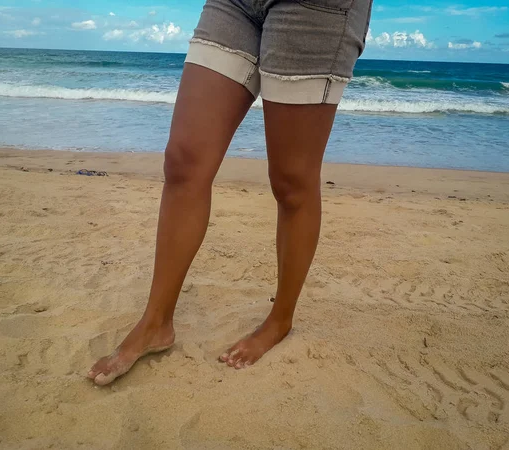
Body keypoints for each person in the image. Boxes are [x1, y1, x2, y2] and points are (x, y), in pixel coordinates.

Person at [88, 0, 373, 385]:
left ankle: (280, 320)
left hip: (317, 8)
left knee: (291, 181)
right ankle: (156, 322)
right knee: (184, 160)